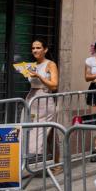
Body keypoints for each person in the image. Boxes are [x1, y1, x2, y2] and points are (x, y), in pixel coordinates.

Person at [25, 39, 59, 169]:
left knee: (45, 131)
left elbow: (54, 85)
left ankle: (55, 164)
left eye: (38, 48)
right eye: (33, 48)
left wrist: (39, 76)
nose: (35, 50)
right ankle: (56, 164)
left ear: (45, 49)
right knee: (48, 133)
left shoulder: (50, 64)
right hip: (32, 99)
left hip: (44, 101)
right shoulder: (32, 65)